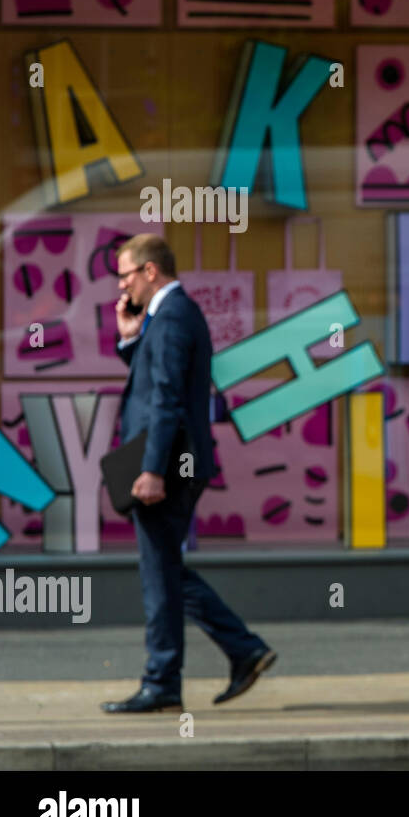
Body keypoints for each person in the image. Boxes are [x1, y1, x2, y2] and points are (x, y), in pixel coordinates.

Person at [100, 233, 277, 714]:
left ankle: (163, 682)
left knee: (160, 573)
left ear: (150, 271)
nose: (122, 286)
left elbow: (167, 399)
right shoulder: (165, 317)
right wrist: (130, 338)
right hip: (175, 461)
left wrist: (153, 470)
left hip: (171, 465)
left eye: (126, 275)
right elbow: (153, 376)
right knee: (166, 570)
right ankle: (242, 650)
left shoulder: (175, 315)